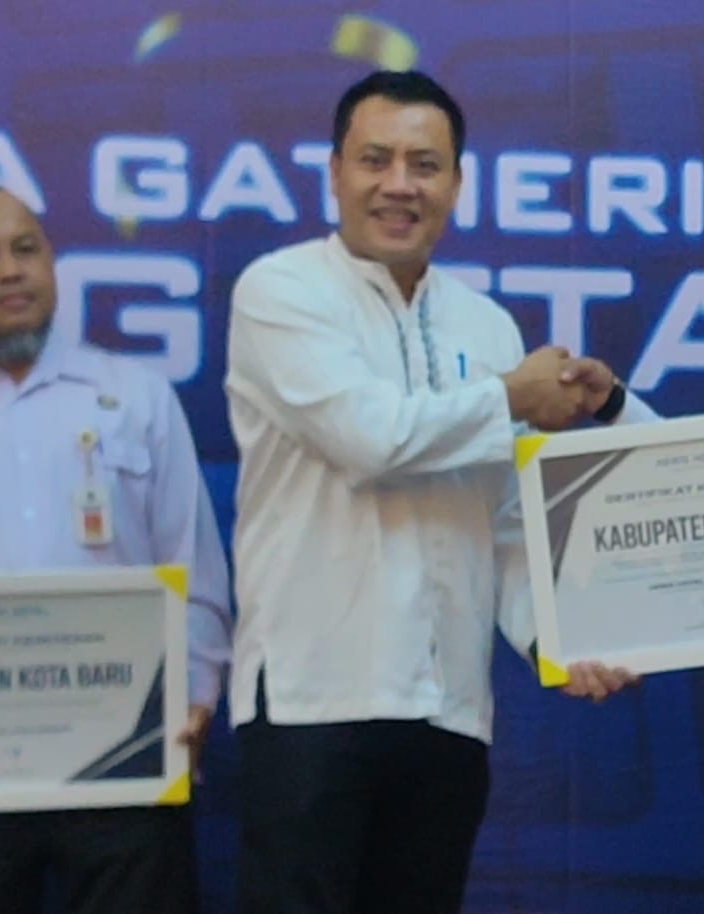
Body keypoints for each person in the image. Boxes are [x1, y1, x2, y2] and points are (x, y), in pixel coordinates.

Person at [224, 70, 642, 914]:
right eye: (374, 159)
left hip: (447, 709)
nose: (399, 184)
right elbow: (369, 439)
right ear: (334, 171)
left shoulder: (486, 325)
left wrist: (555, 640)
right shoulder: (280, 290)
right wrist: (512, 397)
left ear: (456, 182)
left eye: (425, 164)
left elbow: (507, 520)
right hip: (311, 700)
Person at [0, 185, 232, 914]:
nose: (10, 270)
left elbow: (192, 564)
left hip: (125, 752)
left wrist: (196, 699)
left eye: (26, 248)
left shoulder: (135, 395)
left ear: (53, 261)